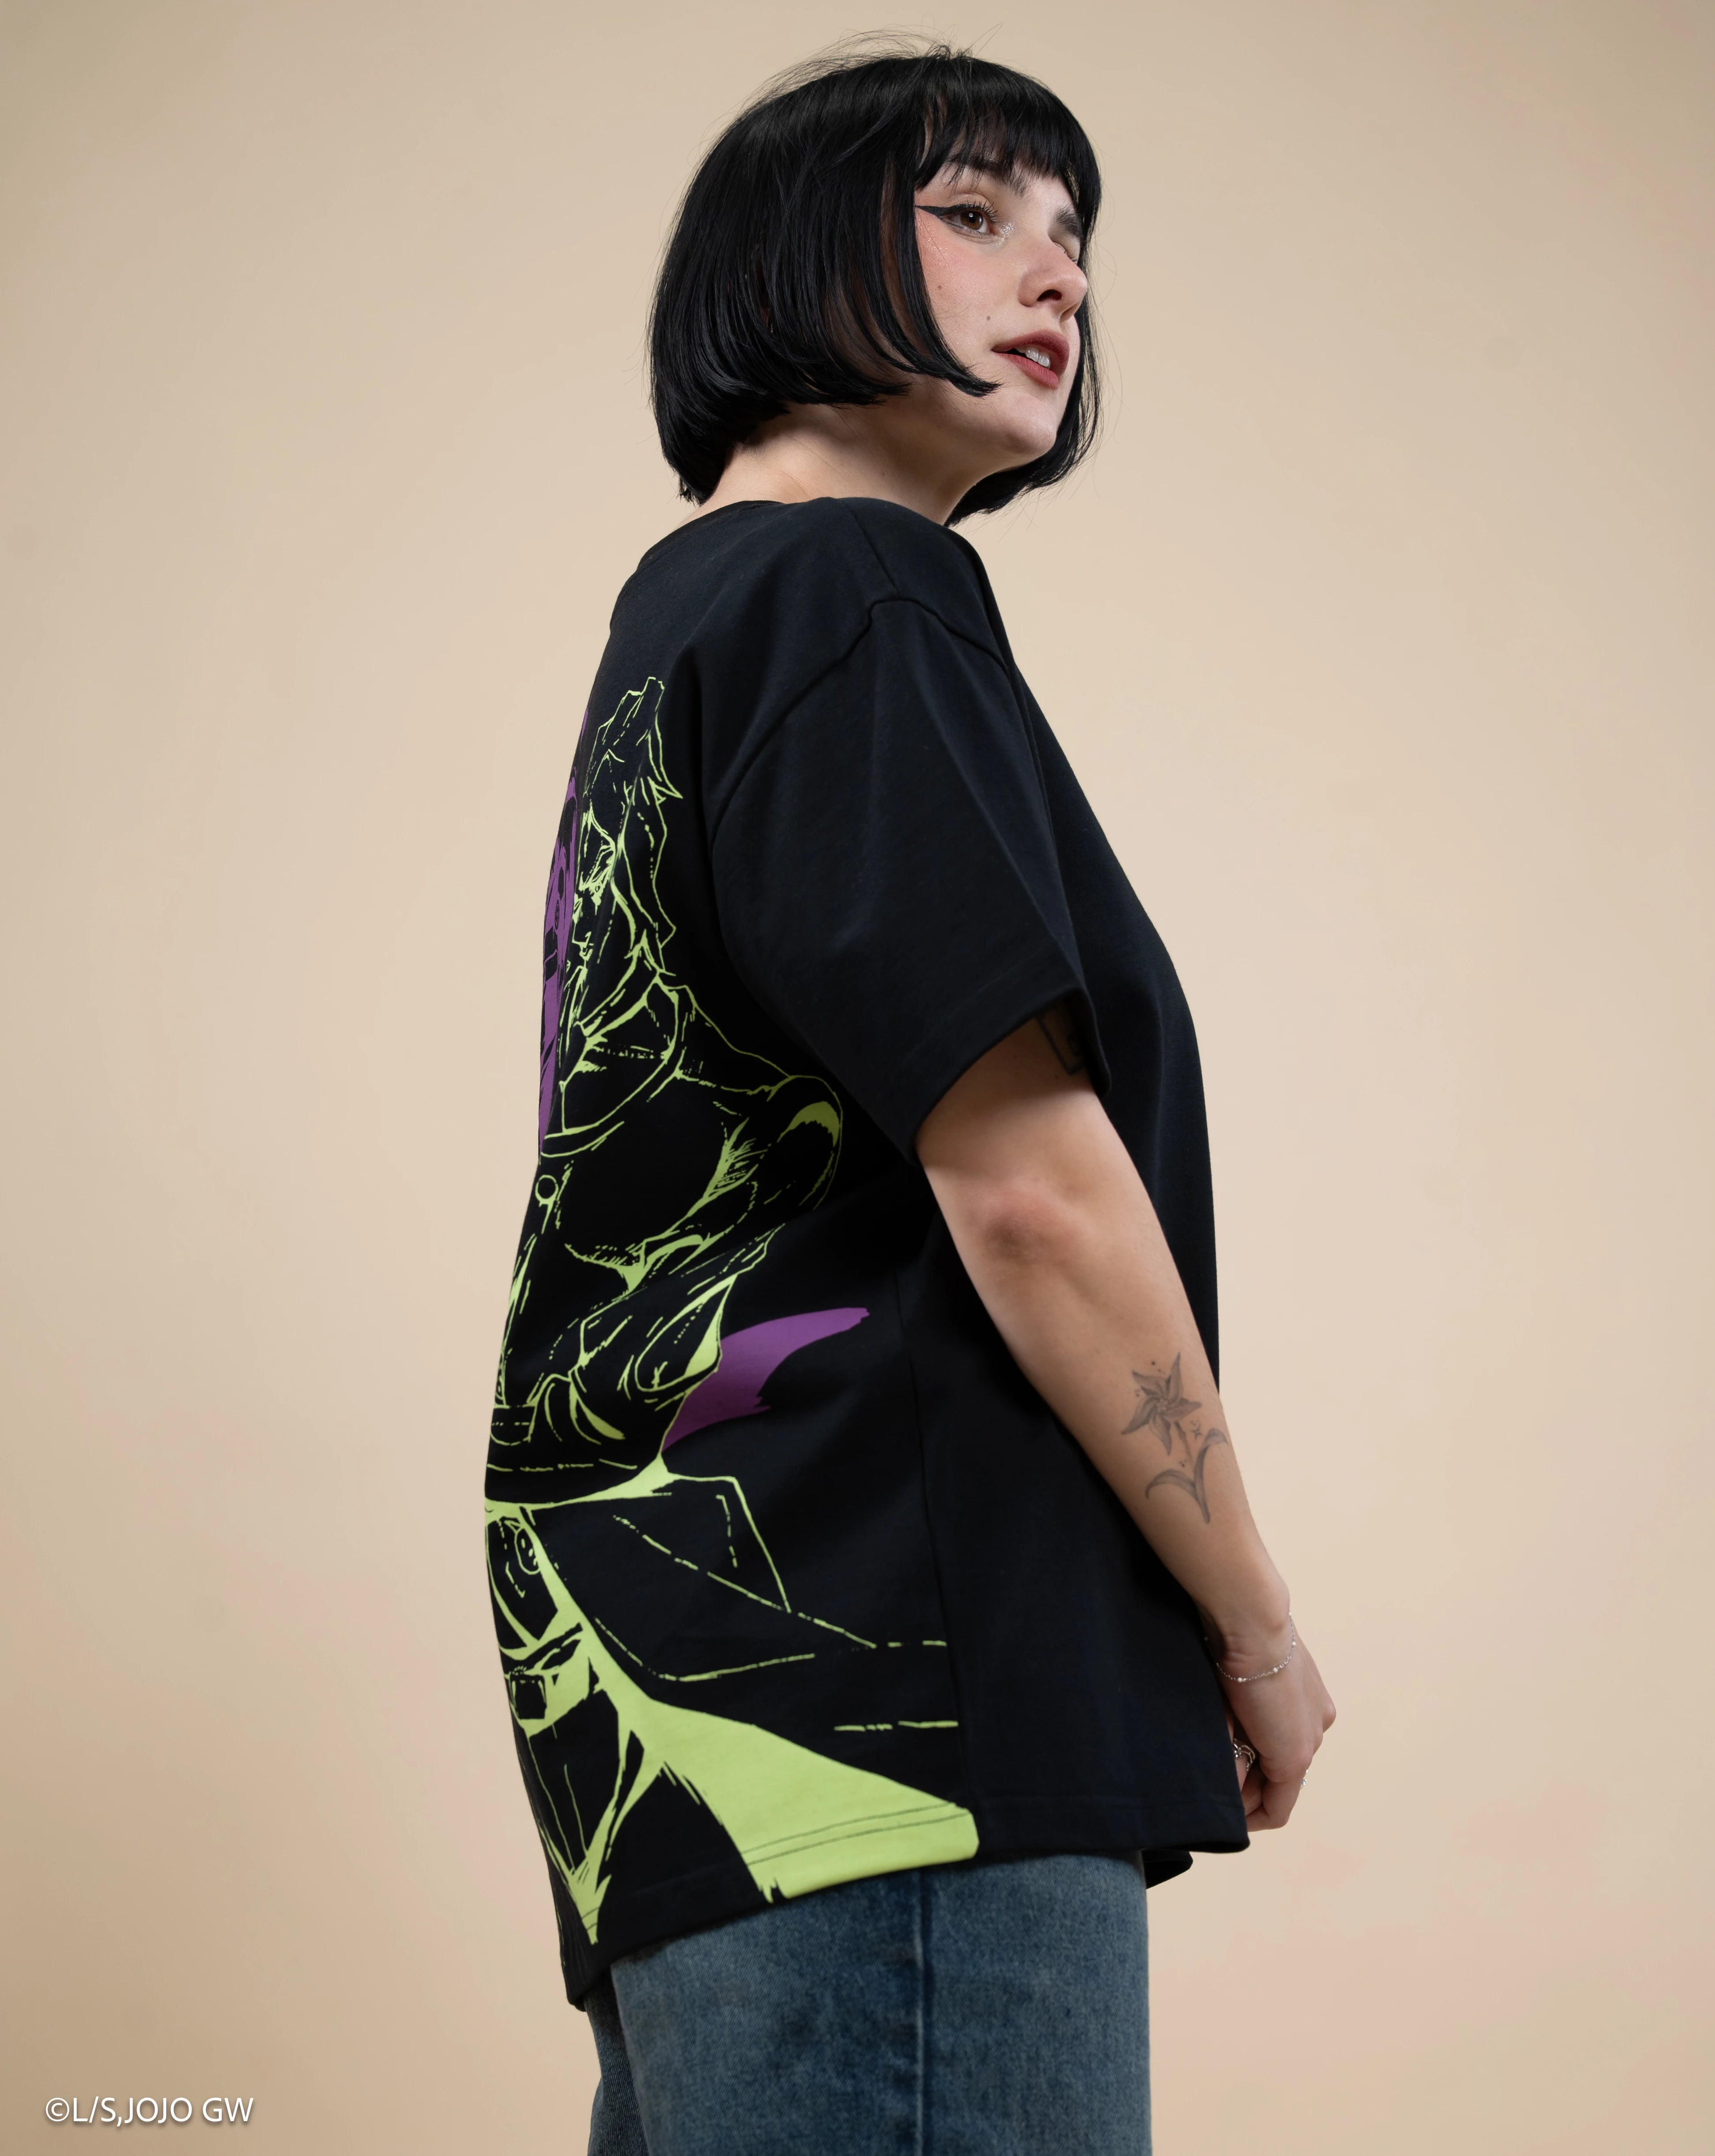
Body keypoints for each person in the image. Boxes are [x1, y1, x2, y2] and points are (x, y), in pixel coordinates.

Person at [483, 43, 1336, 2156]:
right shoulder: (849, 595)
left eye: (1073, 240)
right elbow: (1029, 1190)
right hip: (905, 1735)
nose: (1055, 277)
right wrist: (1247, 1619)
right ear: (788, 258)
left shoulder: (679, 635)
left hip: (701, 1759)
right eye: (972, 213)